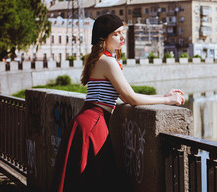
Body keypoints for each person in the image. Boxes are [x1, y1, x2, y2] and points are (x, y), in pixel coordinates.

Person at [51, 14, 185, 192]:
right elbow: (131, 98)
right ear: (103, 38)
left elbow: (124, 95)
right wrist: (168, 100)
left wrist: (162, 95)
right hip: (94, 124)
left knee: (87, 181)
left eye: (122, 32)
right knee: (98, 180)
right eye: (116, 34)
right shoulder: (107, 62)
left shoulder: (100, 58)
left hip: (88, 121)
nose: (122, 37)